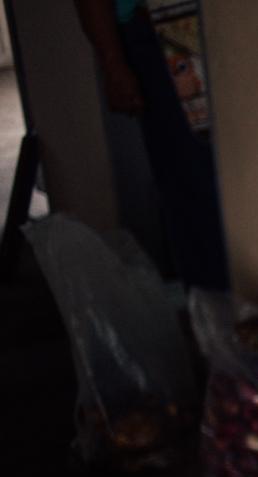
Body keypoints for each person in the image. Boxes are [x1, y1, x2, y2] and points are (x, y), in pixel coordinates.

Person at [73, 0, 230, 292]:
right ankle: (216, 311)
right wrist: (112, 61)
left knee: (257, 172)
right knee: (192, 186)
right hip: (162, 30)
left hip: (233, 24)